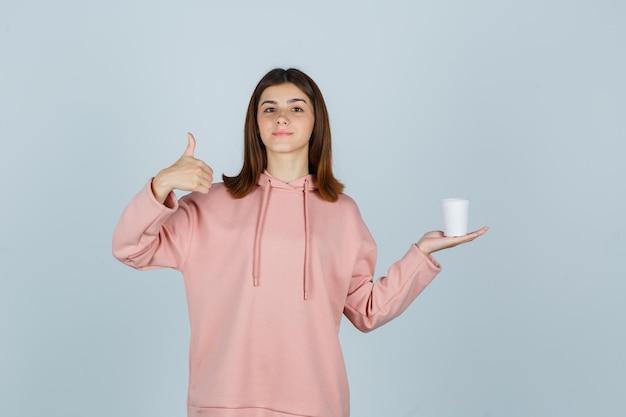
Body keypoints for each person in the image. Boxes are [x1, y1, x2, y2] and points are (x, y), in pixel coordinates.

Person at [112, 67, 488, 417]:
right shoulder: (208, 205)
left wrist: (420, 254)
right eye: (269, 108)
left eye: (296, 107)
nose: (282, 117)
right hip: (220, 404)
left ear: (315, 123)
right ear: (255, 125)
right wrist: (161, 184)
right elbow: (131, 248)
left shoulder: (342, 213)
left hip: (315, 403)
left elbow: (367, 310)